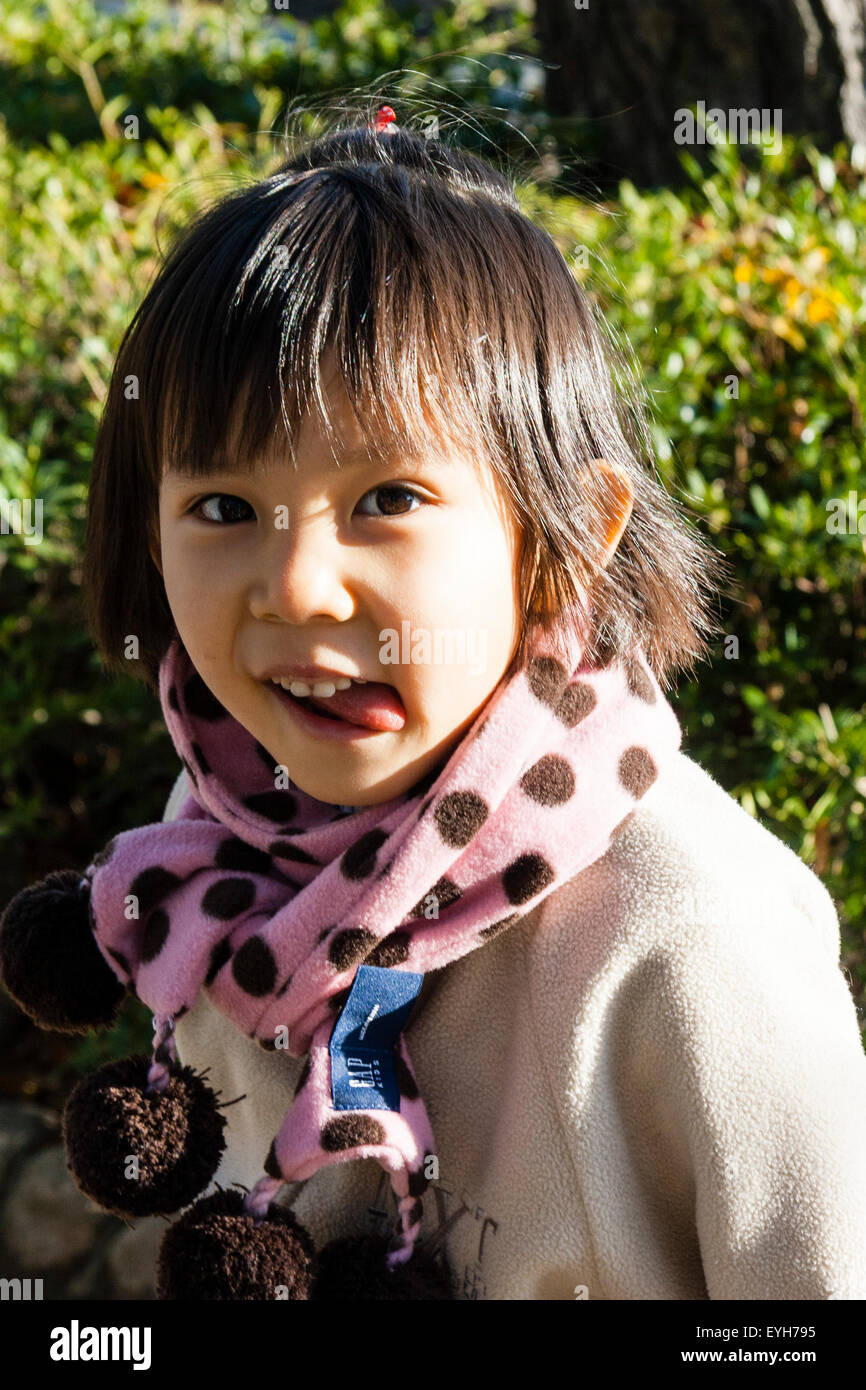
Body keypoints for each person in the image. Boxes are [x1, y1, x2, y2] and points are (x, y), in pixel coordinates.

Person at [6, 107, 866, 1301]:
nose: (297, 590)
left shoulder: (692, 948)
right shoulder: (221, 826)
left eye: (387, 496)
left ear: (567, 535)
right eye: (220, 508)